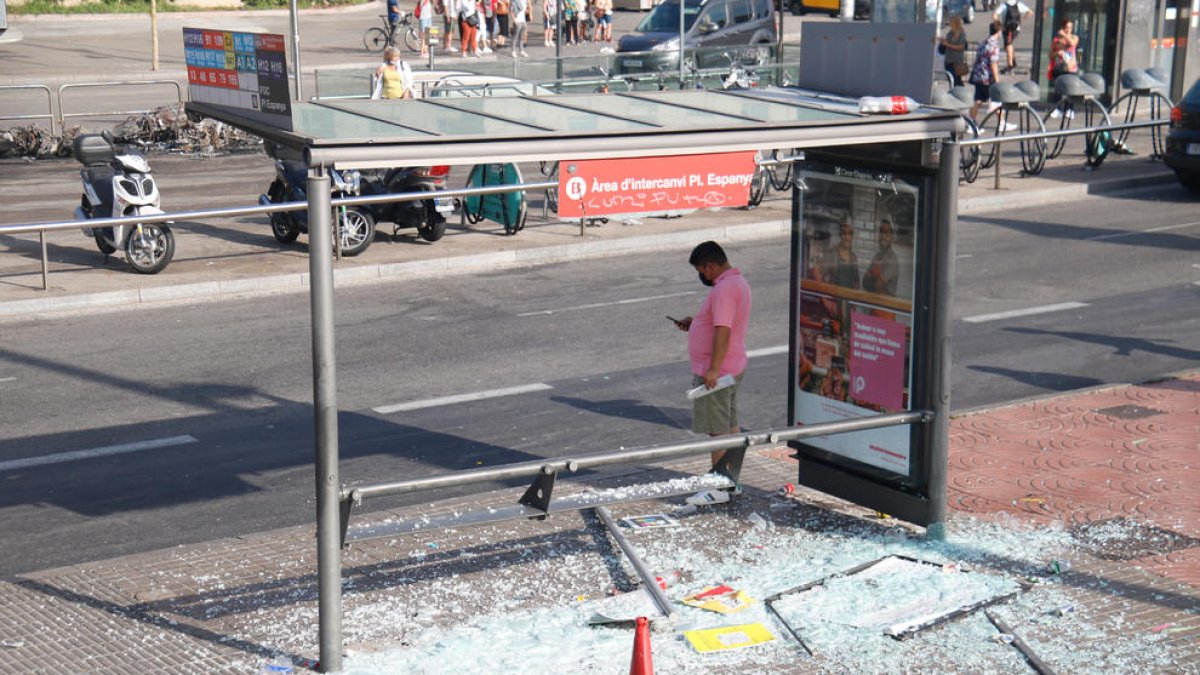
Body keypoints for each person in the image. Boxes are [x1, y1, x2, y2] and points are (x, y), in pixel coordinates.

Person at [673, 241, 752, 476]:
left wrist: (713, 370)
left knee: (717, 431)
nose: (701, 276)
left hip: (719, 370)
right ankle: (730, 478)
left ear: (710, 266)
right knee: (729, 425)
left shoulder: (724, 289)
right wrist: (695, 323)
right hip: (731, 365)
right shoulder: (737, 282)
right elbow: (720, 322)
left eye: (700, 271)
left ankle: (721, 482)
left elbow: (723, 329)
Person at [968, 21, 1002, 122]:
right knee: (998, 100)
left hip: (978, 75)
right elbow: (993, 64)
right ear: (999, 31)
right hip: (987, 78)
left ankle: (971, 122)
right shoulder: (994, 45)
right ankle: (1001, 123)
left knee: (978, 100)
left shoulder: (984, 42)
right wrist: (997, 80)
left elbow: (977, 59)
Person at [862, 218, 899, 296]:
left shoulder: (892, 259)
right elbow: (864, 282)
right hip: (874, 304)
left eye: (886, 233)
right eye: (881, 232)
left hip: (885, 306)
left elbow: (877, 285)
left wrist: (871, 275)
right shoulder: (877, 256)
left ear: (892, 237)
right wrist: (875, 277)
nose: (883, 236)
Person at [993, 0, 1030, 73]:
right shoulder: (1019, 4)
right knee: (1009, 45)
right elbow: (1030, 12)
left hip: (1006, 28)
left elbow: (994, 15)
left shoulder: (1004, 6)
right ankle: (1013, 62)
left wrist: (999, 24)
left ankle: (1010, 65)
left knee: (1008, 45)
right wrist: (1021, 21)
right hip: (1016, 28)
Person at [821, 221, 860, 289]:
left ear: (852, 237)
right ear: (840, 235)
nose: (846, 237)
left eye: (849, 234)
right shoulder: (831, 254)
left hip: (848, 297)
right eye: (844, 234)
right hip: (834, 297)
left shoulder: (854, 257)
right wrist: (824, 299)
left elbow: (857, 282)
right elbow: (819, 275)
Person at [941, 16, 968, 87]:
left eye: (951, 22)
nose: (949, 24)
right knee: (951, 78)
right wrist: (942, 41)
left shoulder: (961, 33)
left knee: (956, 79)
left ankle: (960, 93)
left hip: (956, 61)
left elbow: (961, 47)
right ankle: (953, 92)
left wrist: (948, 44)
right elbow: (946, 42)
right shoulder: (950, 32)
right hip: (948, 59)